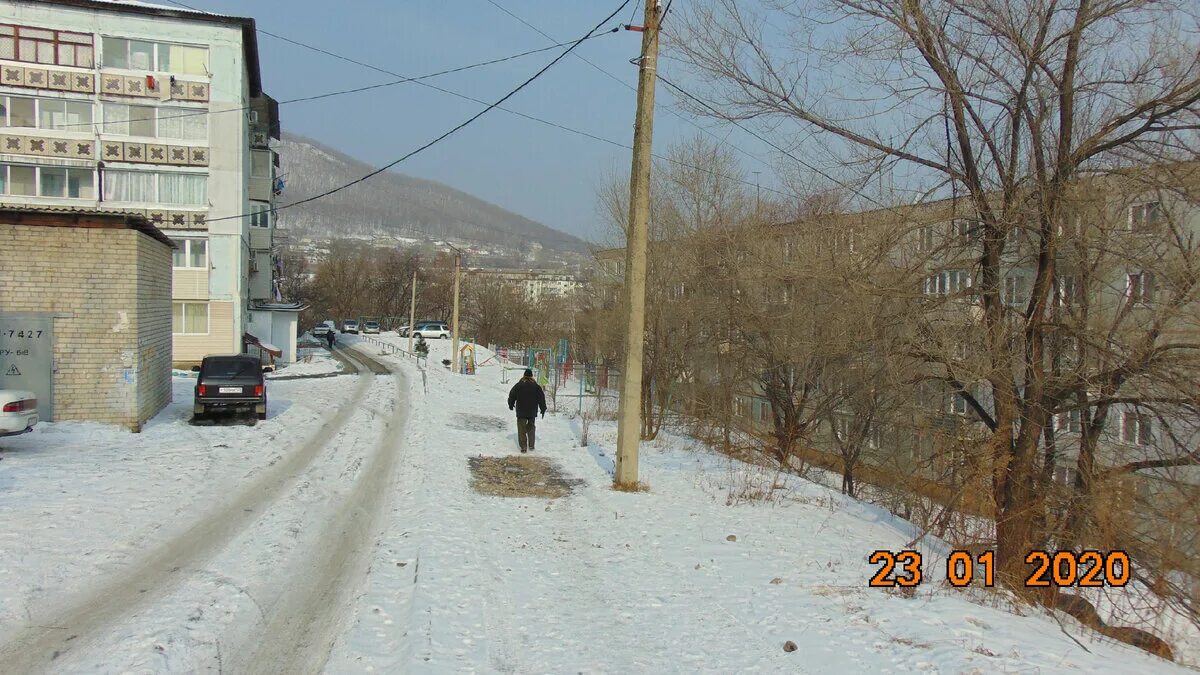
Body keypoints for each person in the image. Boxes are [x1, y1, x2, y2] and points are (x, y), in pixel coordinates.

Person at [508, 368, 546, 453]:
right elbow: (541, 398)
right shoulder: (536, 386)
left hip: (521, 411)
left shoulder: (518, 385)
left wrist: (511, 404)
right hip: (532, 411)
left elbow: (512, 395)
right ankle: (531, 445)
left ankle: (523, 447)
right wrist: (543, 409)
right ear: (532, 376)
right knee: (531, 427)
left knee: (521, 429)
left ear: (524, 376)